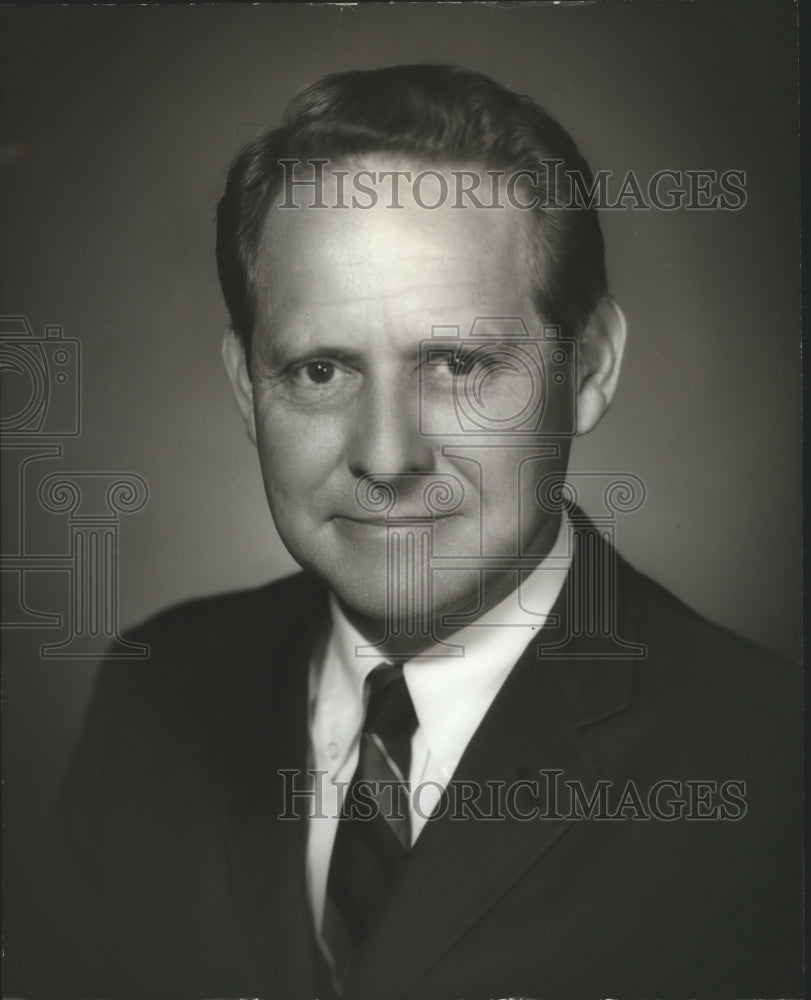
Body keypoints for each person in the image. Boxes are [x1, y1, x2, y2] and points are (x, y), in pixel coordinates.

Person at [9, 64, 802, 1000]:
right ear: (244, 388)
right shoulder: (158, 690)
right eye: (318, 372)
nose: (386, 458)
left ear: (586, 370)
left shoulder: (772, 767)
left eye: (457, 363)